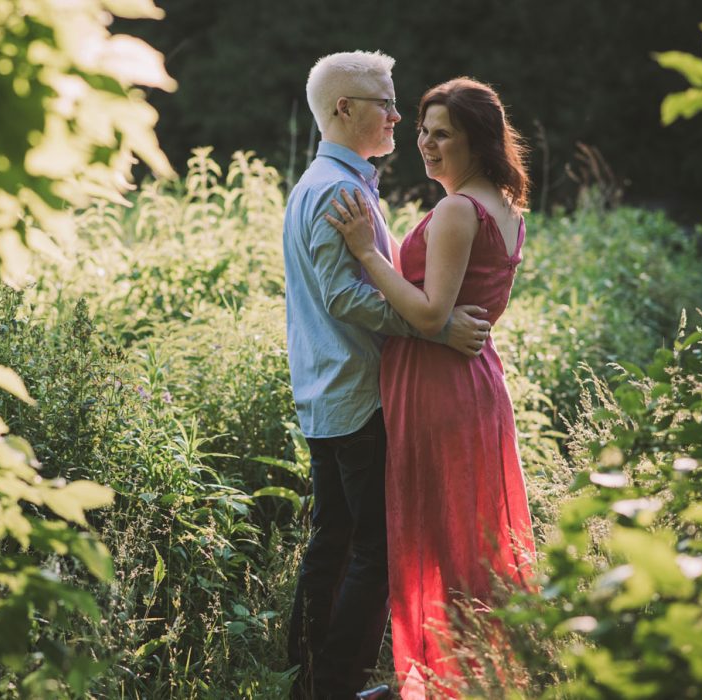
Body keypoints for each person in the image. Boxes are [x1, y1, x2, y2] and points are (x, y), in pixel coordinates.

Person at [283, 53, 492, 700]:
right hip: (354, 395)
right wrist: (435, 325)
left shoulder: (328, 181)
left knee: (336, 544)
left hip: (327, 392)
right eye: (384, 102)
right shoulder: (339, 189)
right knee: (374, 555)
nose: (398, 115)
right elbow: (344, 297)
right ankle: (334, 686)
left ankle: (305, 675)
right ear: (344, 109)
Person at [325, 77, 536, 699]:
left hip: (438, 388)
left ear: (479, 140)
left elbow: (427, 313)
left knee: (438, 533)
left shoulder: (457, 210)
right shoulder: (505, 208)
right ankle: (473, 674)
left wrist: (367, 251)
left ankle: (445, 680)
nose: (425, 143)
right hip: (473, 385)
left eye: (443, 133)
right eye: (423, 130)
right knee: (467, 532)